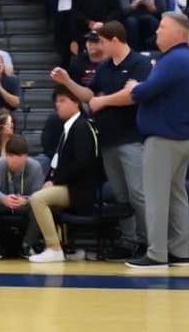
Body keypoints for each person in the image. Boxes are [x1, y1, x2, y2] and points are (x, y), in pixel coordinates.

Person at [52, 21, 152, 260]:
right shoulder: (105, 67)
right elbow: (89, 96)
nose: (99, 46)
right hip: (108, 139)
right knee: (120, 195)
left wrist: (104, 101)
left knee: (138, 193)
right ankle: (129, 241)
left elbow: (133, 96)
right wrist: (67, 81)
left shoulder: (139, 63)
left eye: (103, 41)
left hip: (131, 137)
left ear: (115, 40)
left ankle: (150, 242)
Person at [125, 12, 189, 269]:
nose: (157, 31)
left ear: (178, 33)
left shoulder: (173, 59)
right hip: (181, 138)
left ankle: (157, 253)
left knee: (156, 196)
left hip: (163, 139)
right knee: (177, 195)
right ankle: (180, 253)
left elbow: (145, 91)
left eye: (162, 27)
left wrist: (134, 87)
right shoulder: (185, 58)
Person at [26, 87, 100, 263]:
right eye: (56, 101)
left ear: (76, 102)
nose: (57, 105)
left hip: (79, 189)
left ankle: (54, 247)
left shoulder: (81, 127)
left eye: (62, 101)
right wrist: (52, 180)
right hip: (69, 185)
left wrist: (56, 181)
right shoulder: (70, 127)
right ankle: (62, 245)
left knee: (38, 199)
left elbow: (82, 163)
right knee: (39, 195)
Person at [0, 135, 45, 261]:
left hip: (25, 203)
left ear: (25, 157)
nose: (15, 164)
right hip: (3, 203)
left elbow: (39, 195)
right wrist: (3, 198)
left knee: (40, 204)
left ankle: (26, 245)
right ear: (6, 155)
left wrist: (26, 200)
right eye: (11, 159)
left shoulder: (35, 167)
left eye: (19, 160)